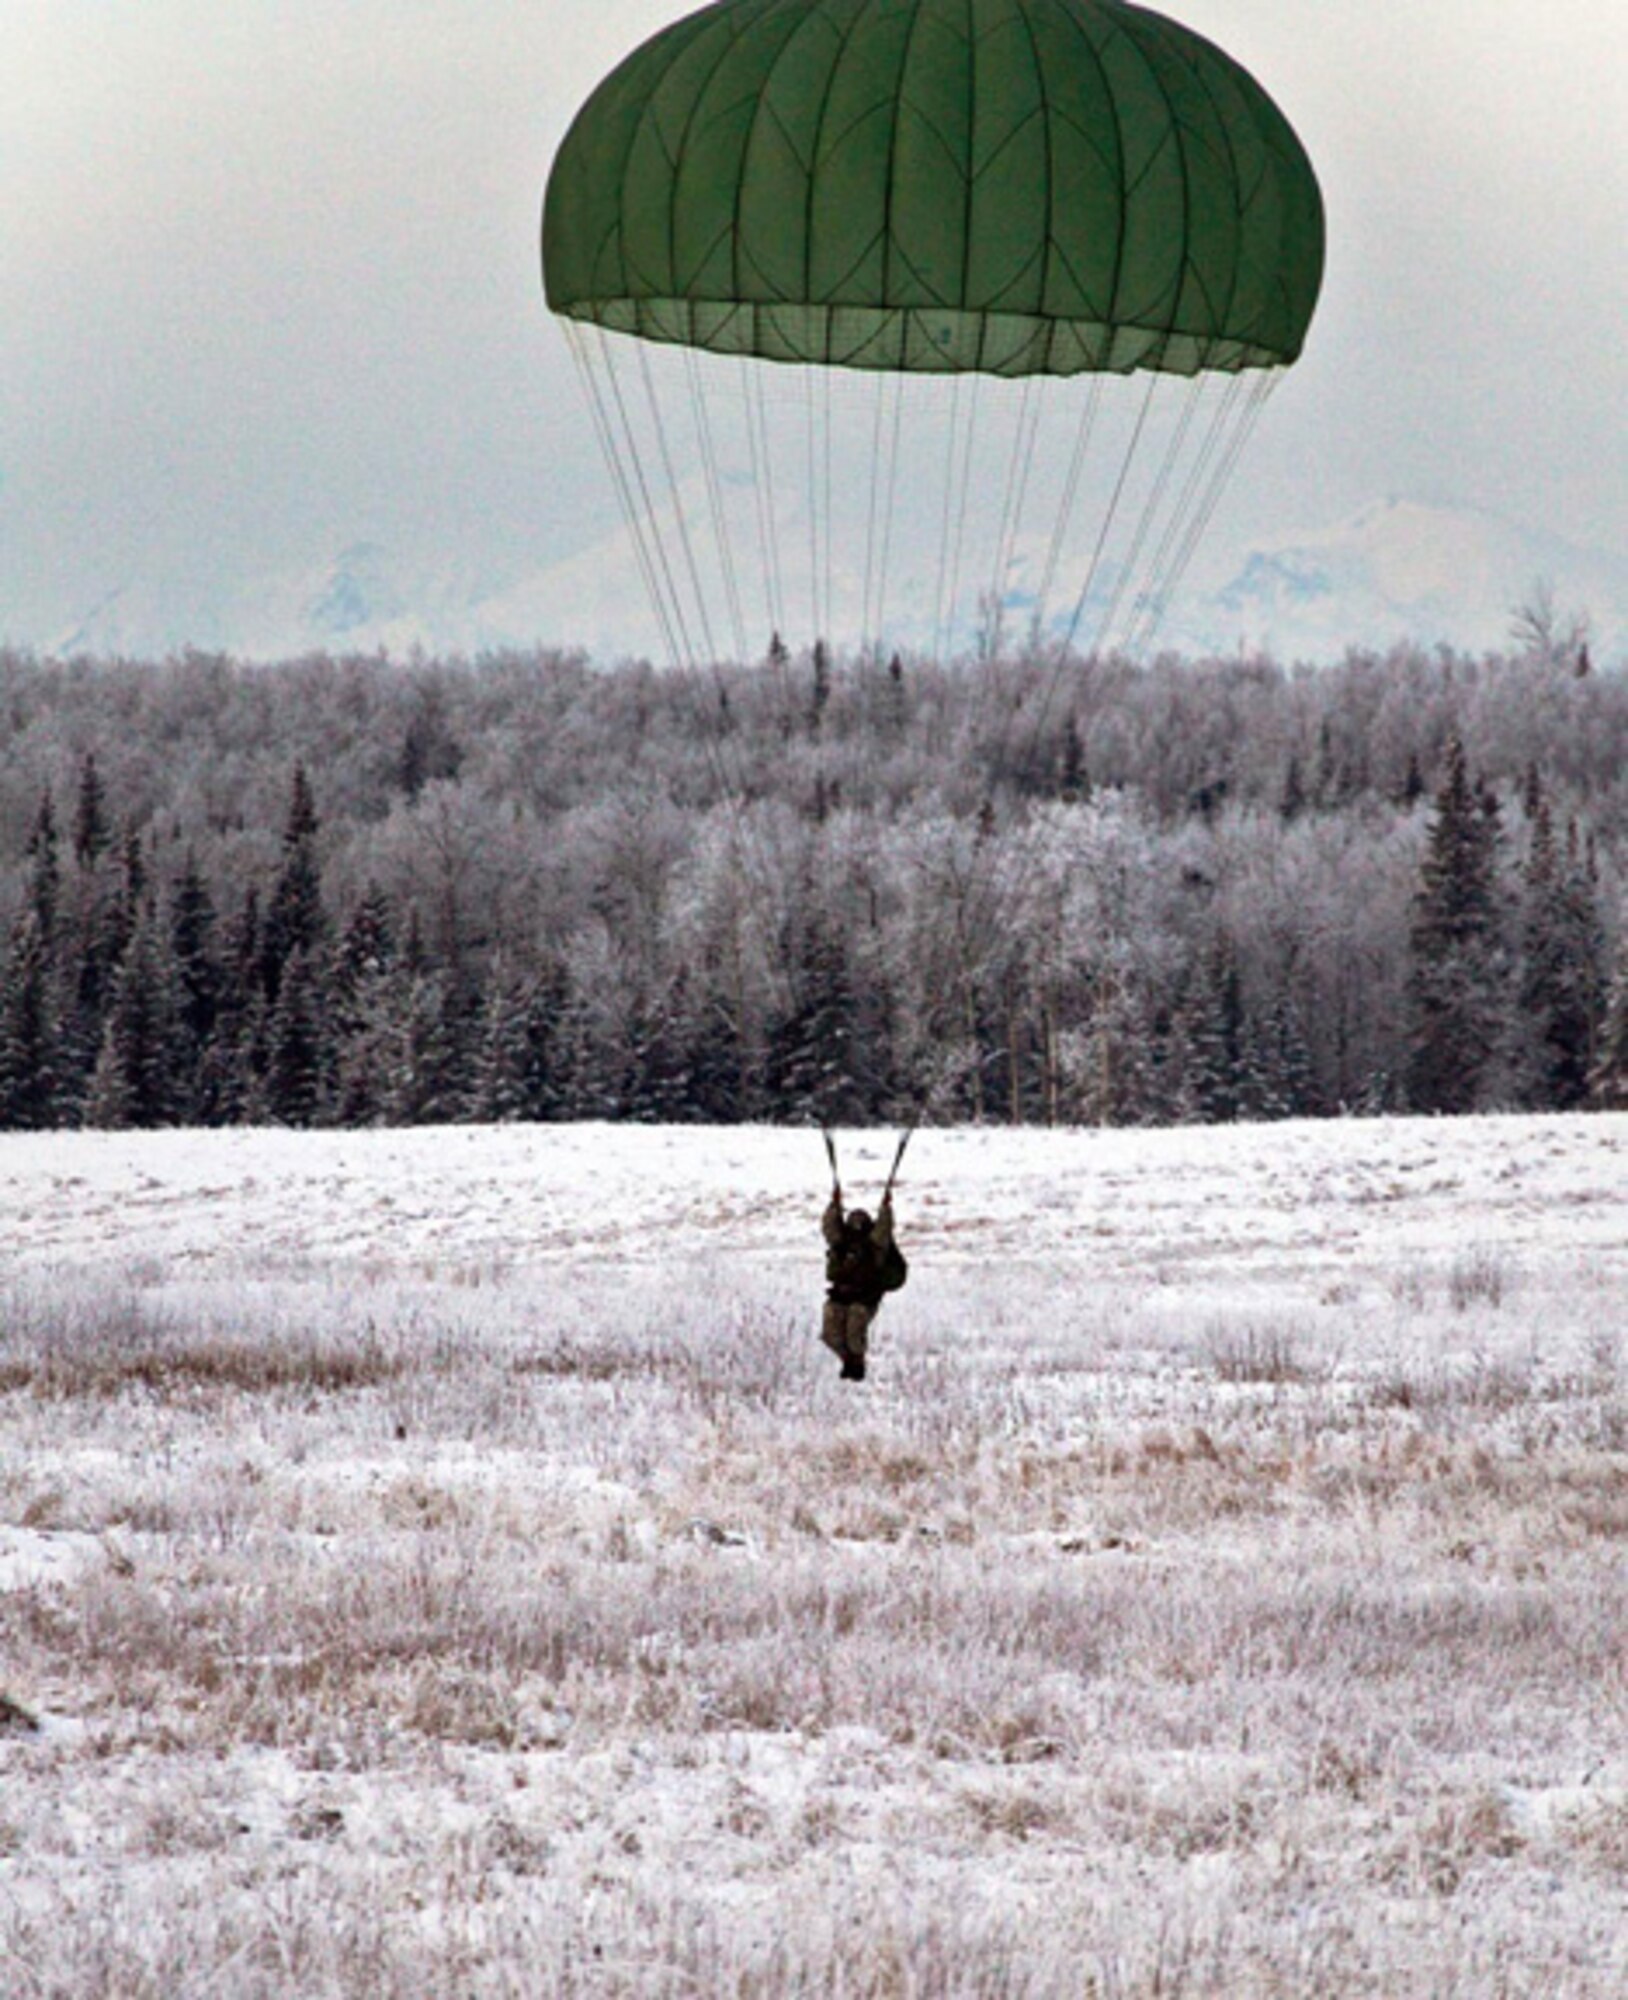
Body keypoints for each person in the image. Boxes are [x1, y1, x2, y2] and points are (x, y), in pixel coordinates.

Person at [821, 1182, 905, 1382]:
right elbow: (829, 1227)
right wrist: (834, 1205)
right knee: (831, 1333)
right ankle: (849, 1361)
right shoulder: (841, 1242)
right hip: (841, 1295)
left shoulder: (875, 1246)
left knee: (854, 1324)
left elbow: (884, 1227)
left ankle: (856, 1361)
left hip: (865, 1298)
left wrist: (886, 1207)